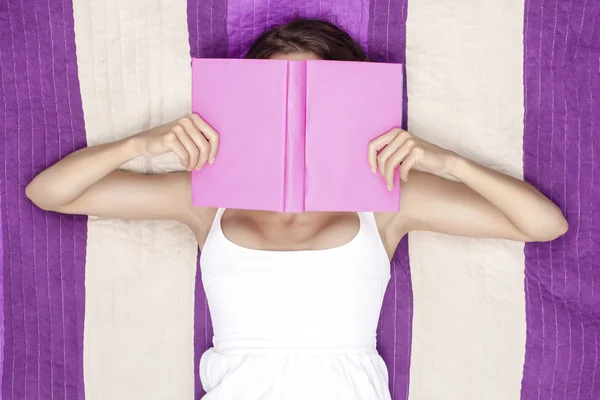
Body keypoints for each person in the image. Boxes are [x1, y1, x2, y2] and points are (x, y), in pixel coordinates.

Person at [26, 19, 567, 400]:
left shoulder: (384, 199)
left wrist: (448, 161)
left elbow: (544, 225)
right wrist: (138, 145)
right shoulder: (206, 199)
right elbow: (50, 193)